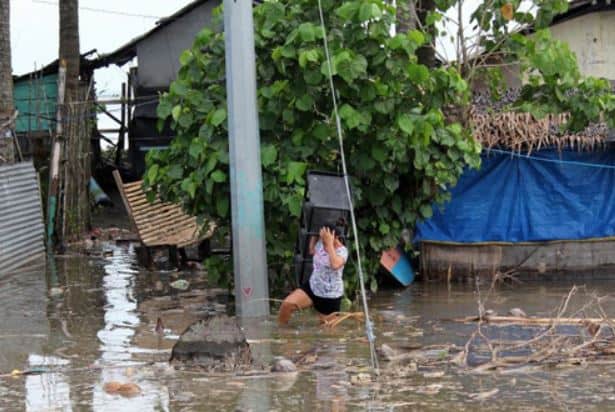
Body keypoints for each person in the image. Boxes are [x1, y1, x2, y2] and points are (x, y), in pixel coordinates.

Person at [278, 224, 349, 325]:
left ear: (335, 237)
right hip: (313, 286)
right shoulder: (320, 242)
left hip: (330, 296)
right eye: (321, 238)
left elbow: (335, 264)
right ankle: (281, 334)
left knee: (327, 332)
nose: (322, 241)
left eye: (324, 238)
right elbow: (312, 251)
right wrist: (314, 236)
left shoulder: (342, 251)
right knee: (287, 305)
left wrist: (329, 244)